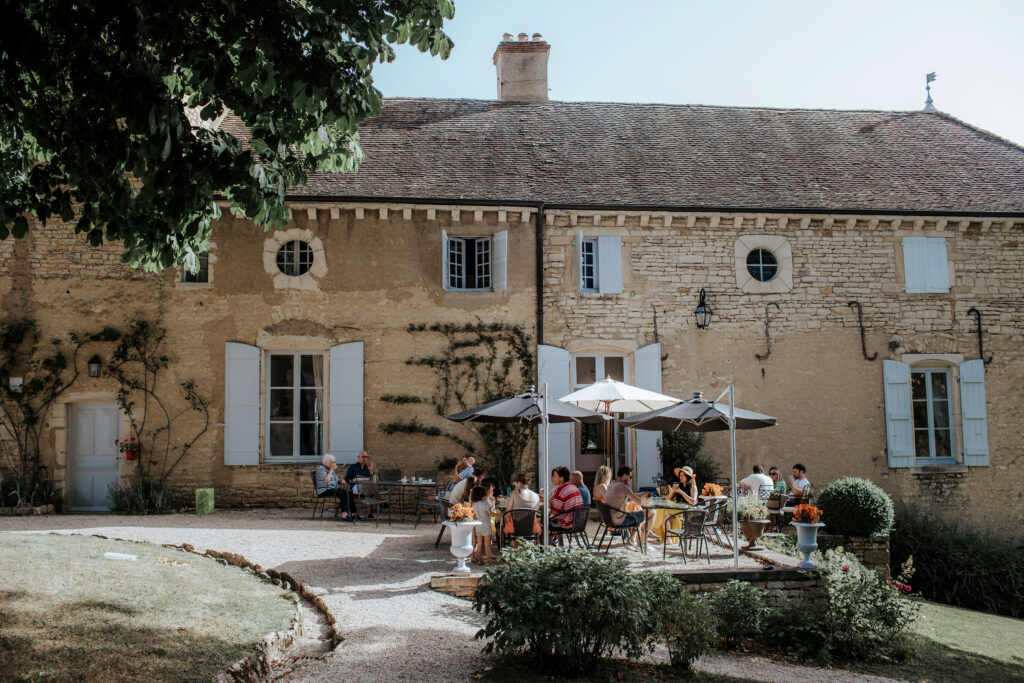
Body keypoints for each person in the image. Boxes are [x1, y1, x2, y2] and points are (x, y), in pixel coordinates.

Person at [604, 466, 654, 546]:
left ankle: (632, 539)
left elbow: (627, 498)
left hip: (609, 519)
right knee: (652, 512)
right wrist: (649, 499)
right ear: (624, 476)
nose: (631, 479)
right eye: (630, 477)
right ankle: (642, 541)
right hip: (619, 520)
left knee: (636, 513)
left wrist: (641, 495)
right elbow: (640, 502)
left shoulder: (612, 484)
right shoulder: (622, 486)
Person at [315, 454, 356, 522]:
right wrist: (331, 469)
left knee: (349, 492)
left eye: (334, 462)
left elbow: (334, 481)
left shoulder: (331, 470)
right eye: (331, 462)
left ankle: (354, 514)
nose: (333, 464)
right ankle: (344, 516)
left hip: (332, 489)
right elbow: (327, 480)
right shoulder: (321, 469)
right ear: (325, 462)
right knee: (343, 493)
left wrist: (340, 481)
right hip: (324, 490)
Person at [548, 466, 583, 535]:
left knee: (544, 522)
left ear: (561, 478)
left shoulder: (560, 489)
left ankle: (549, 543)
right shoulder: (573, 487)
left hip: (568, 523)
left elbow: (555, 512)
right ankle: (559, 543)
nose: (552, 479)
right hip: (578, 522)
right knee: (553, 518)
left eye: (554, 476)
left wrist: (548, 501)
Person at [470, 485, 498, 565]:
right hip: (486, 525)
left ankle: (480, 560)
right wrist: (500, 515)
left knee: (479, 543)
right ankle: (489, 561)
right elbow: (491, 514)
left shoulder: (474, 505)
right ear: (483, 495)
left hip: (478, 526)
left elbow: (474, 516)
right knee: (487, 544)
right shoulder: (485, 504)